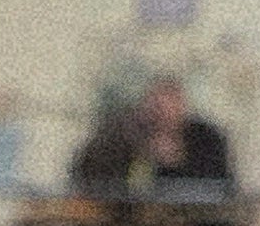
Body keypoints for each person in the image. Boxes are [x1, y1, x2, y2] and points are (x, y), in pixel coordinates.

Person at [71, 75, 234, 193]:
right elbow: (91, 174)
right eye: (155, 108)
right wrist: (139, 149)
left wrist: (175, 163)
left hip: (191, 224)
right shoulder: (122, 133)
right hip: (128, 222)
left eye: (169, 108)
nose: (161, 116)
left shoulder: (205, 138)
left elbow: (217, 186)